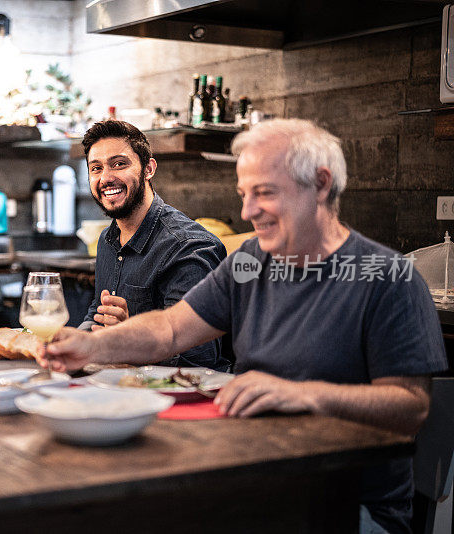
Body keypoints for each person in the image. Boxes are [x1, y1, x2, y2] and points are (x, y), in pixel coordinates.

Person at [45, 119, 447, 533]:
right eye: (243, 194)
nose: (246, 211)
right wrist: (92, 347)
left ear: (321, 185)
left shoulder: (388, 278)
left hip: (343, 503)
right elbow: (170, 329)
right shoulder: (251, 262)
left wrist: (301, 394)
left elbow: (410, 408)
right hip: (254, 478)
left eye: (264, 193)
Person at [78, 120, 227, 369]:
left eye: (119, 164)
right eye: (96, 168)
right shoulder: (107, 240)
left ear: (148, 169)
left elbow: (197, 359)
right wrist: (73, 344)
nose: (106, 177)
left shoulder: (188, 247)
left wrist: (129, 337)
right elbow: (97, 313)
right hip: (122, 385)